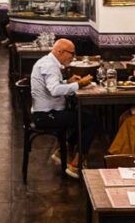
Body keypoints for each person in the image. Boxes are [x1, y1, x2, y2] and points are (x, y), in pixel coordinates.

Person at [30, 38, 93, 178]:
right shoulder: (50, 66)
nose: (73, 56)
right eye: (71, 53)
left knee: (83, 116)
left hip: (46, 112)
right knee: (90, 120)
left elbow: (53, 85)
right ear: (60, 51)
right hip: (46, 116)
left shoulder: (48, 62)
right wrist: (79, 85)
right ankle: (76, 164)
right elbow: (54, 90)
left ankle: (63, 150)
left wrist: (67, 82)